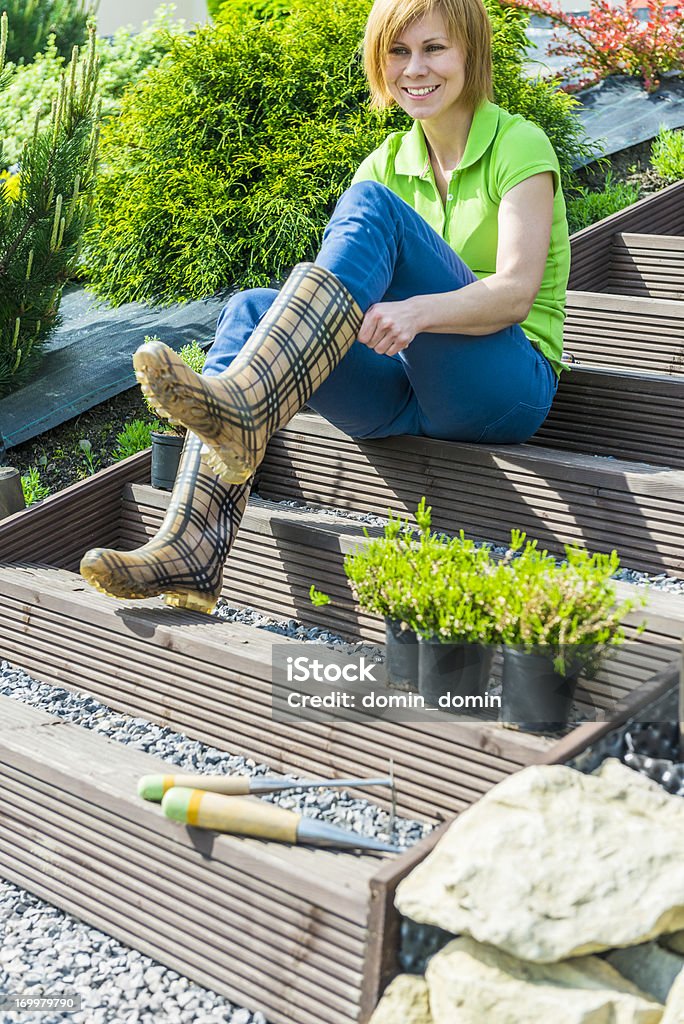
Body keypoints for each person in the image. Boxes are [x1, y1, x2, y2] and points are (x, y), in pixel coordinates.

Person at [80, 0, 570, 614]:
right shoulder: (387, 162)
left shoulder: (518, 144)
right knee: (251, 309)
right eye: (398, 52)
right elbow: (335, 308)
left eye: (434, 48)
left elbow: (516, 293)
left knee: (370, 205)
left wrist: (417, 312)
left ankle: (246, 402)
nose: (414, 69)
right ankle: (192, 548)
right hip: (401, 393)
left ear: (471, 51)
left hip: (503, 388)